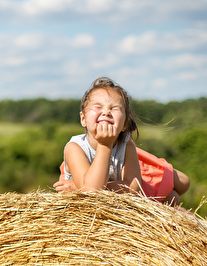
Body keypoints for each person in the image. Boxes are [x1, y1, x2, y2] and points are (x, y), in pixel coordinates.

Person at [53, 76, 190, 206]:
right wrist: (105, 145)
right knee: (173, 197)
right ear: (83, 119)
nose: (106, 112)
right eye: (98, 107)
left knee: (179, 189)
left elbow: (134, 188)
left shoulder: (126, 142)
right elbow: (91, 192)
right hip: (105, 199)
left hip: (126, 190)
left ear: (125, 124)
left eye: (114, 108)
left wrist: (78, 187)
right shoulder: (74, 148)